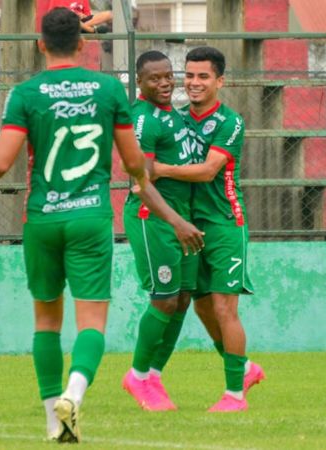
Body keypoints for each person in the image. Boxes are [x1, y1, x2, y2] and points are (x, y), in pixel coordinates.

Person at [0, 8, 203, 443]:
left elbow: (1, 161)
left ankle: (54, 423)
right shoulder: (109, 90)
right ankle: (75, 393)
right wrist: (142, 178)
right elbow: (133, 164)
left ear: (40, 45)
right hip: (90, 217)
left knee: (46, 321)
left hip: (42, 218)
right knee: (91, 321)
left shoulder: (26, 94)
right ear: (82, 43)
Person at [152, 46, 264, 412]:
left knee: (224, 308)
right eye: (189, 75)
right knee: (199, 307)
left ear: (220, 81)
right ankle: (243, 367)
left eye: (203, 76)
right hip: (188, 227)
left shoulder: (231, 121)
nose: (194, 83)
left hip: (224, 224)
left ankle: (235, 395)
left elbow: (207, 170)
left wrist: (161, 170)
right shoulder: (176, 118)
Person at [121, 51, 200, 411]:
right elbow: (142, 181)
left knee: (182, 298)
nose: (165, 83)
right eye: (155, 78)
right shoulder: (141, 120)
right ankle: (137, 376)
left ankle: (153, 376)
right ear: (140, 82)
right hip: (152, 219)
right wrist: (176, 221)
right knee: (164, 298)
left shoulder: (176, 116)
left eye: (169, 76)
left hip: (180, 219)